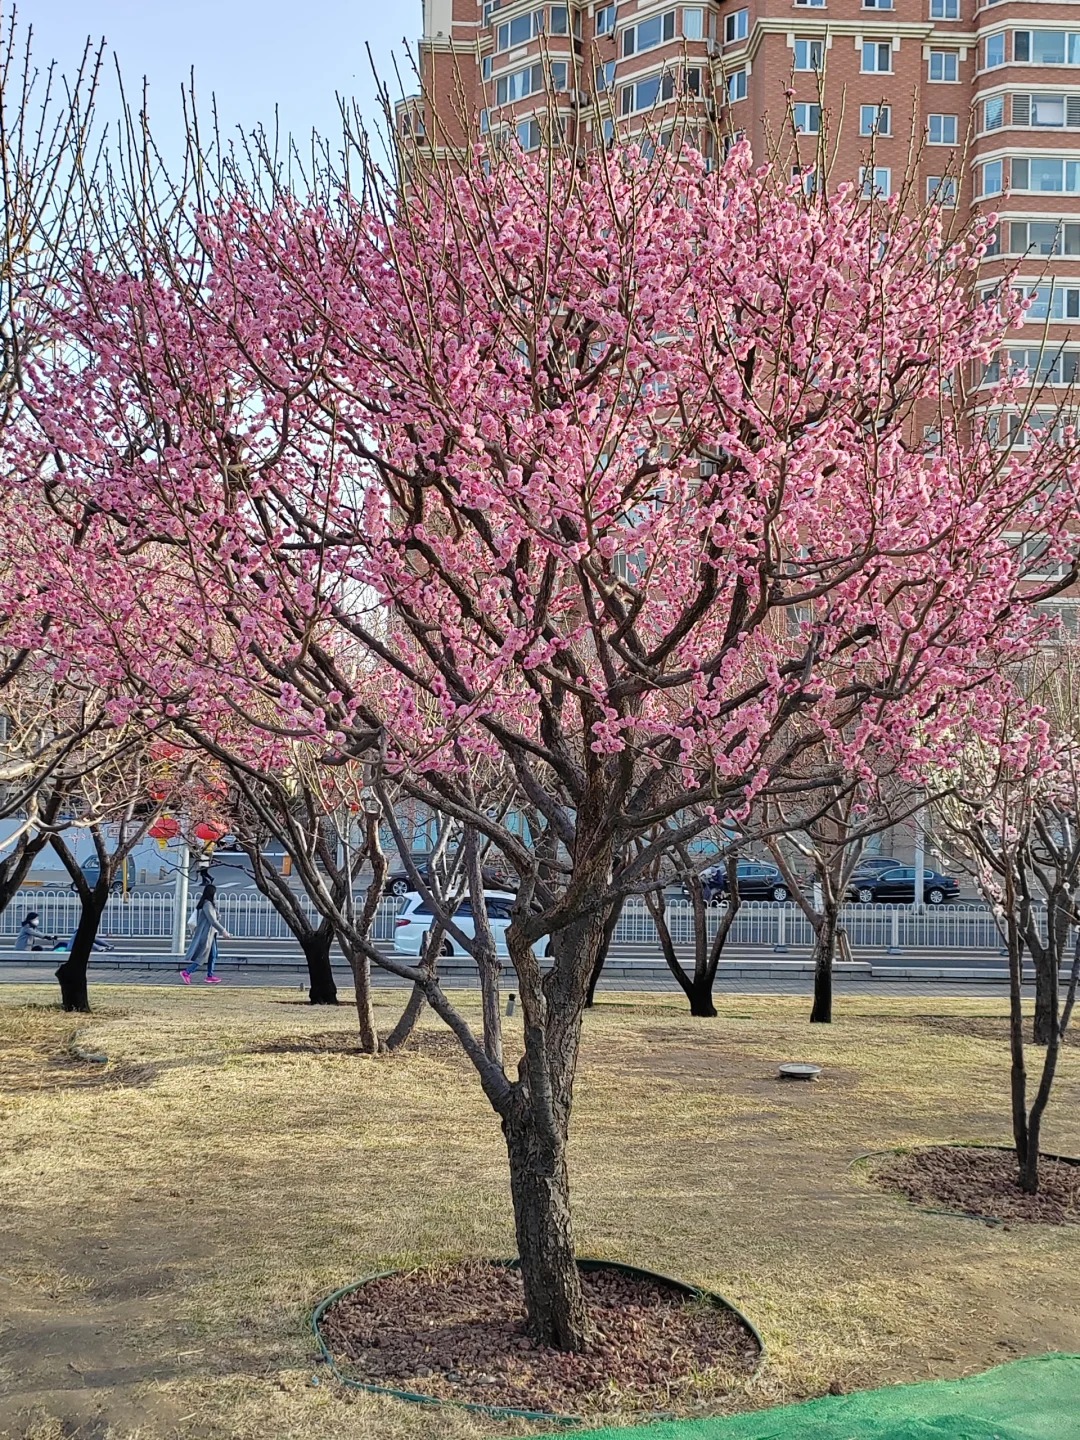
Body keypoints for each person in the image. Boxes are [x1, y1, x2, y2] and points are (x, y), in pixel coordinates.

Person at [180, 881, 230, 984]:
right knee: (203, 956)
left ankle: (210, 976)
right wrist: (223, 931)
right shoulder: (207, 904)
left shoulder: (209, 904)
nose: (216, 895)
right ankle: (187, 972)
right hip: (206, 935)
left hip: (212, 934)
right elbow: (213, 921)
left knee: (213, 954)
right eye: (215, 893)